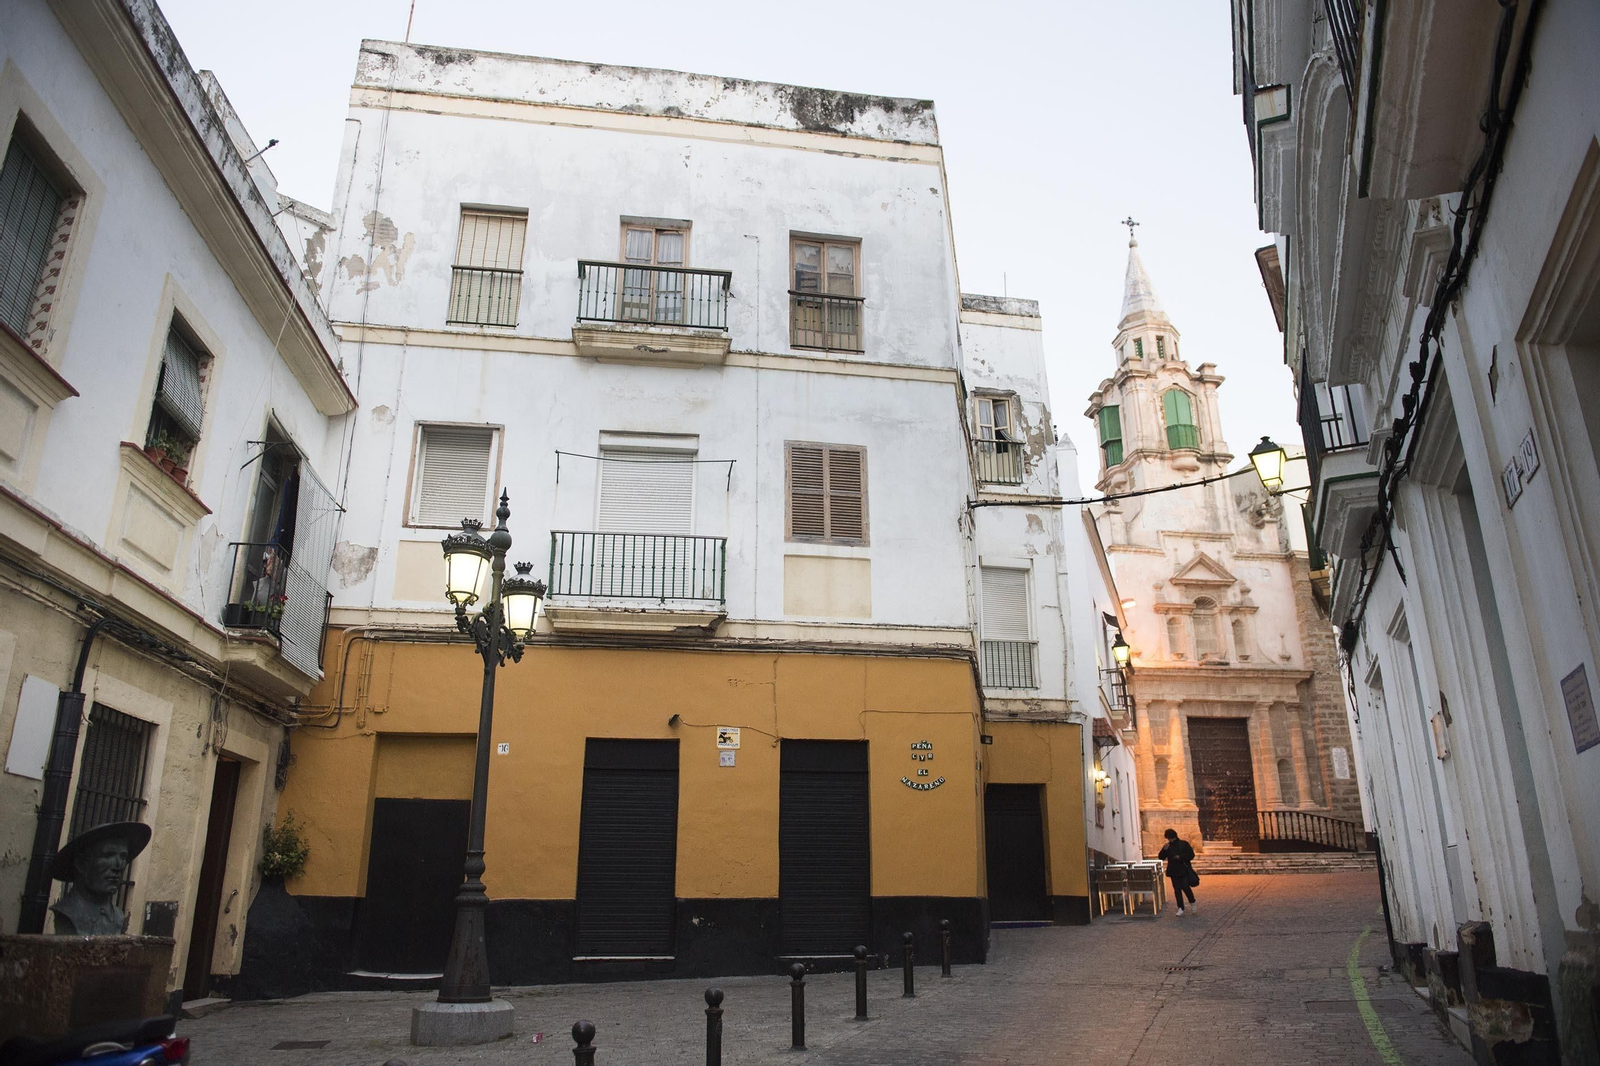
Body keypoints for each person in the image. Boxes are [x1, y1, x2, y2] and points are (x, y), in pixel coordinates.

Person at [49, 821, 151, 935]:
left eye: (123, 857)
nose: (118, 866)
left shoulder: (118, 916)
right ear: (81, 864)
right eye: (108, 855)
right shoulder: (67, 912)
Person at [1158, 828, 1198, 916]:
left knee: (1186, 887)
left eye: (1170, 838)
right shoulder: (1168, 846)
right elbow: (1161, 857)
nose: (1169, 840)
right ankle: (1180, 907)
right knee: (1177, 890)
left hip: (1183, 870)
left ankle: (1192, 902)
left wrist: (1180, 857)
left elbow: (1191, 855)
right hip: (1173, 871)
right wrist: (1164, 850)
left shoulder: (1184, 844)